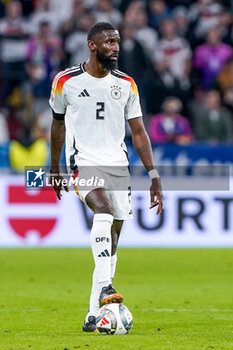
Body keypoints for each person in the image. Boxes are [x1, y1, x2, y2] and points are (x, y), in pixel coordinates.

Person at [49, 22, 163, 333]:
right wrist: (54, 166)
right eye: (109, 41)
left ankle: (91, 315)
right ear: (92, 45)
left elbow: (139, 134)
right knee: (103, 209)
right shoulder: (65, 81)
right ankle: (105, 289)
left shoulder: (126, 84)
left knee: (111, 241)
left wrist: (153, 175)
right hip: (82, 163)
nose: (115, 47)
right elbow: (57, 124)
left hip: (118, 166)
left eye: (117, 42)